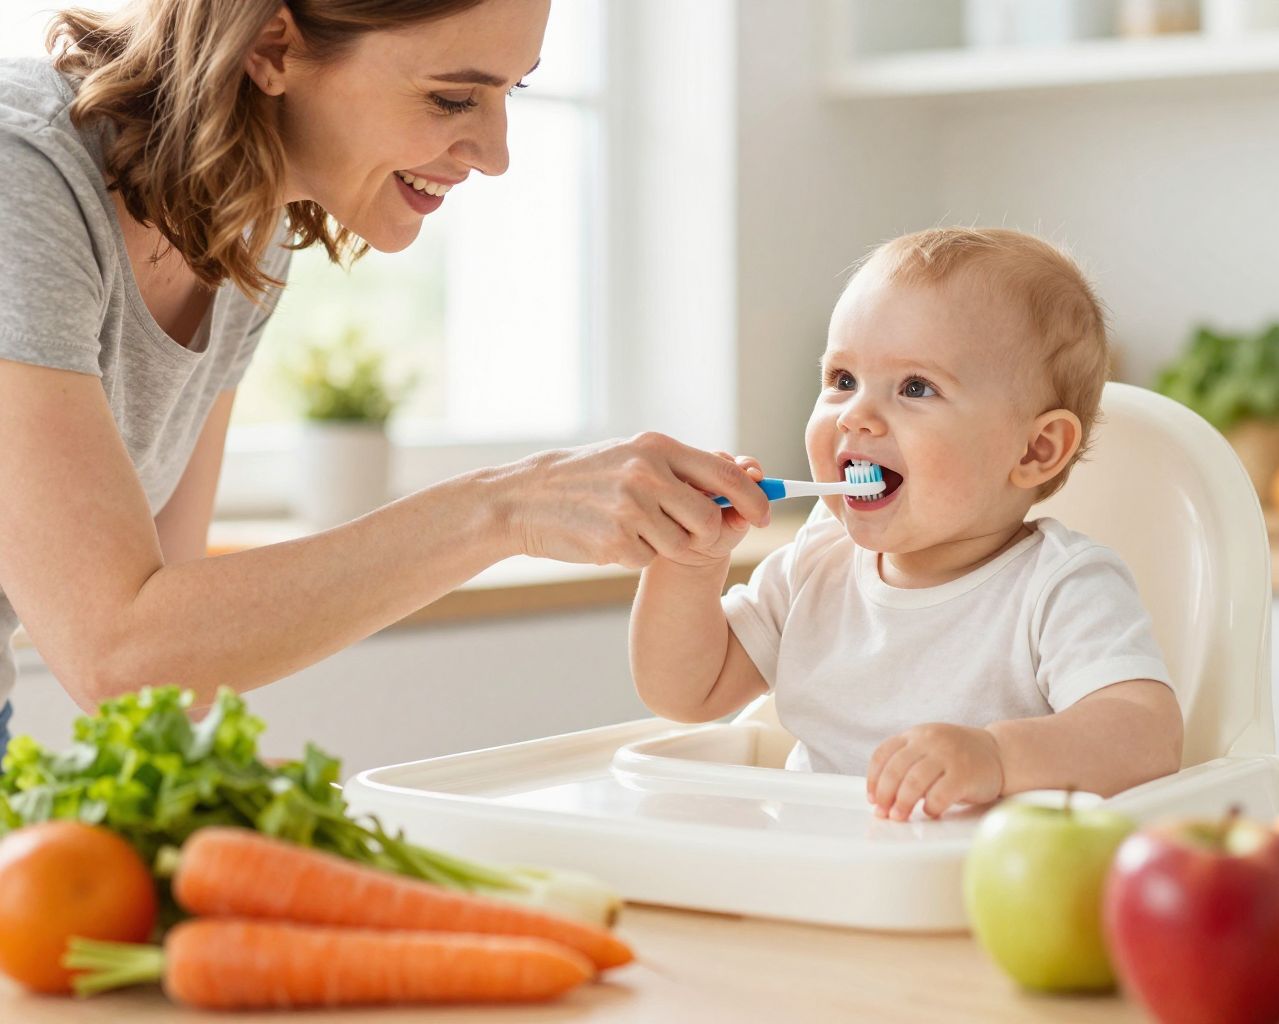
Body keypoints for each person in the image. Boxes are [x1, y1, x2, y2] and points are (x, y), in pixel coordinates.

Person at [0, 0, 770, 759]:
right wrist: (505, 508)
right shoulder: (21, 176)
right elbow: (119, 652)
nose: (496, 153)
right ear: (272, 48)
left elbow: (170, 664)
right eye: (452, 97)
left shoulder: (247, 231)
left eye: (514, 91)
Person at [629, 228, 1185, 821]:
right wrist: (689, 562)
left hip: (967, 887)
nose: (857, 416)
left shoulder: (1061, 586)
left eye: (915, 387)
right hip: (807, 868)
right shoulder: (818, 559)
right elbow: (687, 692)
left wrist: (997, 756)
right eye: (842, 380)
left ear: (1035, 451)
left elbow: (1147, 735)